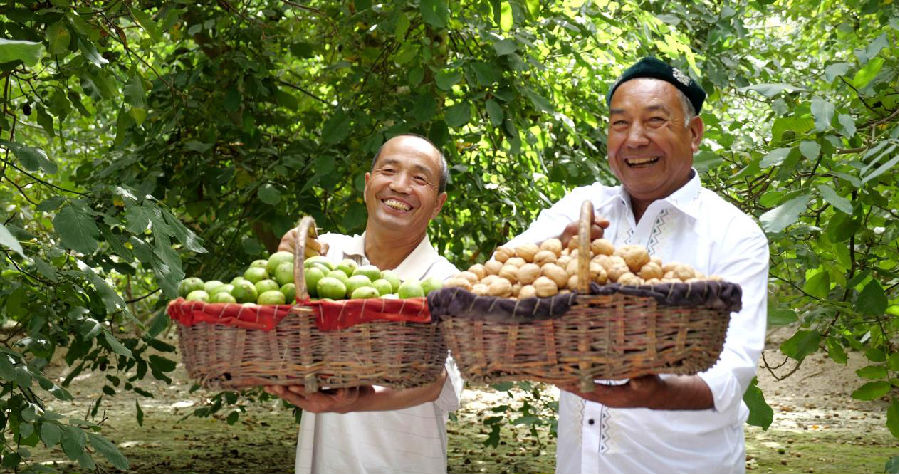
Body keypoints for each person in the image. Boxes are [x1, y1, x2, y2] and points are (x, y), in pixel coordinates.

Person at [506, 57, 770, 474]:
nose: (635, 138)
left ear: (694, 133)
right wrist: (557, 248)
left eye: (655, 121)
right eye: (619, 123)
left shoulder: (733, 234)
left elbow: (732, 369)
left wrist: (654, 392)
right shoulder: (580, 209)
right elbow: (489, 284)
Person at [265, 134, 463, 474]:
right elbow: (275, 336)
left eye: (419, 178)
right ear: (368, 184)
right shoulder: (324, 256)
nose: (400, 186)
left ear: (439, 203)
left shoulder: (448, 282)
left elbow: (439, 383)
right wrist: (282, 268)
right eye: (389, 170)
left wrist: (358, 401)